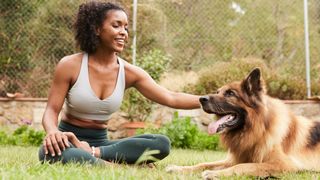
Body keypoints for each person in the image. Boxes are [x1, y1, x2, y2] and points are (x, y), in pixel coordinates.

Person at [38, 1, 201, 166]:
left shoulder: (129, 72)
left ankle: (96, 157)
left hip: (103, 146)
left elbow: (171, 97)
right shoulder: (70, 65)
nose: (123, 32)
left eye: (126, 27)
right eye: (116, 26)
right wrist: (53, 132)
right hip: (69, 141)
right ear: (96, 29)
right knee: (48, 153)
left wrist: (212, 101)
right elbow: (51, 110)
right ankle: (116, 166)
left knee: (161, 143)